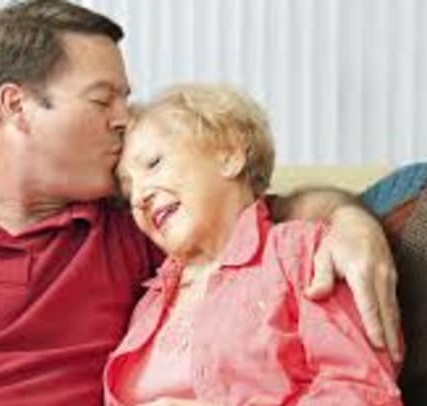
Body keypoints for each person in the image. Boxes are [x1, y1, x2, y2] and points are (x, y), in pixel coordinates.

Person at [0, 1, 399, 405]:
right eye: (104, 102)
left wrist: (349, 219)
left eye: (126, 102)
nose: (127, 122)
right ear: (15, 106)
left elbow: (261, 215)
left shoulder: (134, 228)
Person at [104, 85, 402, 405]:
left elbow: (360, 390)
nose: (140, 196)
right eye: (128, 190)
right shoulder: (149, 302)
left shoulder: (300, 255)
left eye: (153, 163)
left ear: (230, 155)